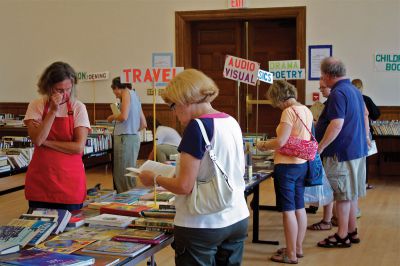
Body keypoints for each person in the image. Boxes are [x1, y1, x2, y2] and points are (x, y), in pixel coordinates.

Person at [138, 69, 249, 266]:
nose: (173, 111)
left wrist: (153, 178)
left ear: (185, 100)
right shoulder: (230, 121)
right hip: (237, 216)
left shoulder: (197, 127)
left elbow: (184, 186)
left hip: (202, 223)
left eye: (173, 105)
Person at [257, 80, 313, 264]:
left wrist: (263, 145)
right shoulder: (306, 109)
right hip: (302, 164)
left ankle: (290, 255)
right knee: (299, 207)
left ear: (279, 98)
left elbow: (281, 142)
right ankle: (297, 248)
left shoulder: (288, 112)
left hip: (286, 166)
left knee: (288, 210)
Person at [316, 57, 369, 248]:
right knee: (351, 194)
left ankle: (342, 235)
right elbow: (364, 115)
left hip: (341, 153)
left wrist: (320, 146)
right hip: (356, 151)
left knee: (342, 196)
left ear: (330, 75)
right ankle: (352, 231)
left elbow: (336, 124)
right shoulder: (354, 90)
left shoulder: (338, 93)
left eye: (323, 76)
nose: (322, 80)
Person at [24, 61, 91, 211]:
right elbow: (37, 139)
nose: (65, 94)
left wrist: (46, 142)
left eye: (68, 89)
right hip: (41, 180)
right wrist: (52, 111)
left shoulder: (78, 107)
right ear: (48, 87)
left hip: (69, 182)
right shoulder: (36, 105)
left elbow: (78, 147)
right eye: (59, 90)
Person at [107, 77, 146, 193]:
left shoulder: (126, 93)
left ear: (118, 87)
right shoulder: (136, 95)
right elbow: (143, 124)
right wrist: (132, 128)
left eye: (115, 91)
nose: (115, 95)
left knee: (122, 173)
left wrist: (112, 117)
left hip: (124, 138)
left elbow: (123, 116)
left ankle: (123, 201)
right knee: (130, 172)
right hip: (133, 138)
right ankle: (132, 198)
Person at [307, 78, 336, 231]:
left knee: (329, 185)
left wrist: (321, 146)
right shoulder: (326, 104)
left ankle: (327, 220)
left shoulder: (332, 103)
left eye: (323, 88)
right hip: (323, 148)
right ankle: (330, 217)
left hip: (326, 150)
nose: (321, 90)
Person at [351, 78, 381, 190]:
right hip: (365, 133)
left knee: (352, 159)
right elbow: (376, 114)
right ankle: (364, 183)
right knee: (365, 158)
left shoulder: (347, 98)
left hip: (352, 133)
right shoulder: (366, 99)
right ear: (362, 88)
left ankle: (353, 183)